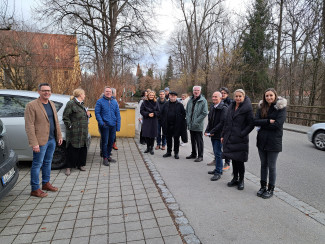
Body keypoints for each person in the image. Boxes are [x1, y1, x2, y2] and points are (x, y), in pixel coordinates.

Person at [25, 83, 63, 197]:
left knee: (48, 162)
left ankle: (46, 183)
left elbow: (56, 122)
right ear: (39, 92)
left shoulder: (51, 104)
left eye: (48, 90)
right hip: (40, 141)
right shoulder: (31, 105)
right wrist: (34, 143)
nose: (47, 92)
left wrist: (59, 136)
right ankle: (35, 189)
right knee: (37, 164)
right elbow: (29, 125)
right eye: (44, 90)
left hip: (51, 139)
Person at [254, 88, 287, 199]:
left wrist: (263, 124)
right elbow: (255, 121)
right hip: (262, 140)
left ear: (275, 96)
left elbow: (278, 124)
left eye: (271, 95)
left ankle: (270, 189)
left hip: (274, 142)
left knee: (271, 166)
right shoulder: (261, 107)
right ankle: (263, 186)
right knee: (263, 165)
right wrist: (268, 121)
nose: (269, 97)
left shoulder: (281, 108)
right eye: (267, 95)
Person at [221, 89, 254, 190]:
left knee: (240, 161)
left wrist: (242, 133)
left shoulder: (247, 108)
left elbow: (251, 124)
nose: (238, 98)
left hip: (240, 139)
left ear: (244, 97)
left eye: (240, 96)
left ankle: (241, 180)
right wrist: (223, 135)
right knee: (233, 159)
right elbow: (226, 122)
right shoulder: (231, 106)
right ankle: (235, 178)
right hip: (230, 137)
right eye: (236, 96)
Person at [63, 88, 91, 176]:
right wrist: (70, 126)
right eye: (84, 94)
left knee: (82, 148)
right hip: (74, 132)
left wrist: (89, 115)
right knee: (72, 149)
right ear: (80, 94)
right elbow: (65, 117)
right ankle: (68, 167)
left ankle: (80, 165)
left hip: (83, 131)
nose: (85, 96)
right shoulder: (71, 103)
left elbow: (84, 115)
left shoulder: (82, 104)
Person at [95, 86, 121, 166]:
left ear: (111, 93)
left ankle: (108, 155)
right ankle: (105, 158)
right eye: (107, 91)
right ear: (104, 92)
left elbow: (118, 114)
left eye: (110, 91)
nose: (108, 93)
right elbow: (97, 113)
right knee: (105, 142)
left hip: (113, 125)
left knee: (111, 142)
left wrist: (118, 126)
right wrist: (101, 123)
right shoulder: (100, 101)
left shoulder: (114, 102)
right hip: (105, 126)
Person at [205, 91, 228, 181]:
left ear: (220, 98)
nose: (214, 98)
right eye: (213, 96)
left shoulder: (224, 108)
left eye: (216, 97)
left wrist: (212, 131)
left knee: (218, 153)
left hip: (219, 134)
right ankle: (217, 169)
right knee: (216, 152)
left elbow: (222, 123)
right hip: (213, 134)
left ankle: (218, 172)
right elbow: (210, 121)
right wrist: (207, 130)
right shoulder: (213, 107)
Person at [161, 91, 187, 159]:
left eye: (174, 96)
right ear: (169, 96)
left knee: (176, 140)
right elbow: (162, 113)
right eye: (171, 95)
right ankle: (168, 152)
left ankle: (176, 153)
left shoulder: (180, 105)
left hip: (176, 125)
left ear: (176, 97)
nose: (172, 97)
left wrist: (180, 120)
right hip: (167, 125)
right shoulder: (166, 104)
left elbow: (184, 114)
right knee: (168, 139)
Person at [185, 86, 208, 162]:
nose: (196, 92)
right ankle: (193, 153)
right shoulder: (190, 100)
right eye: (195, 90)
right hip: (191, 124)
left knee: (199, 141)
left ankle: (200, 156)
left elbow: (204, 113)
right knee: (192, 140)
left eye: (198, 90)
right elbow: (187, 111)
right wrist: (188, 120)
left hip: (198, 125)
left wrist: (196, 121)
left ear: (200, 91)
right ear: (193, 91)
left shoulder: (203, 100)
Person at [217, 87, 233, 170]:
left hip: (226, 126)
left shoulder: (230, 102)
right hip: (219, 126)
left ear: (227, 94)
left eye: (224, 93)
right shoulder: (218, 101)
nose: (223, 94)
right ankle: (217, 160)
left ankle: (227, 163)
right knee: (218, 145)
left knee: (226, 146)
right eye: (221, 93)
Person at [140, 90, 160, 155]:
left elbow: (158, 111)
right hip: (147, 120)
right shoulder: (144, 102)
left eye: (152, 95)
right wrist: (148, 114)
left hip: (154, 120)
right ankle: (148, 147)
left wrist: (154, 113)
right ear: (148, 95)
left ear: (154, 96)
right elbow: (141, 111)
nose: (151, 96)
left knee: (153, 135)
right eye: (150, 95)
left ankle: (151, 148)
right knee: (146, 134)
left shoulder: (156, 102)